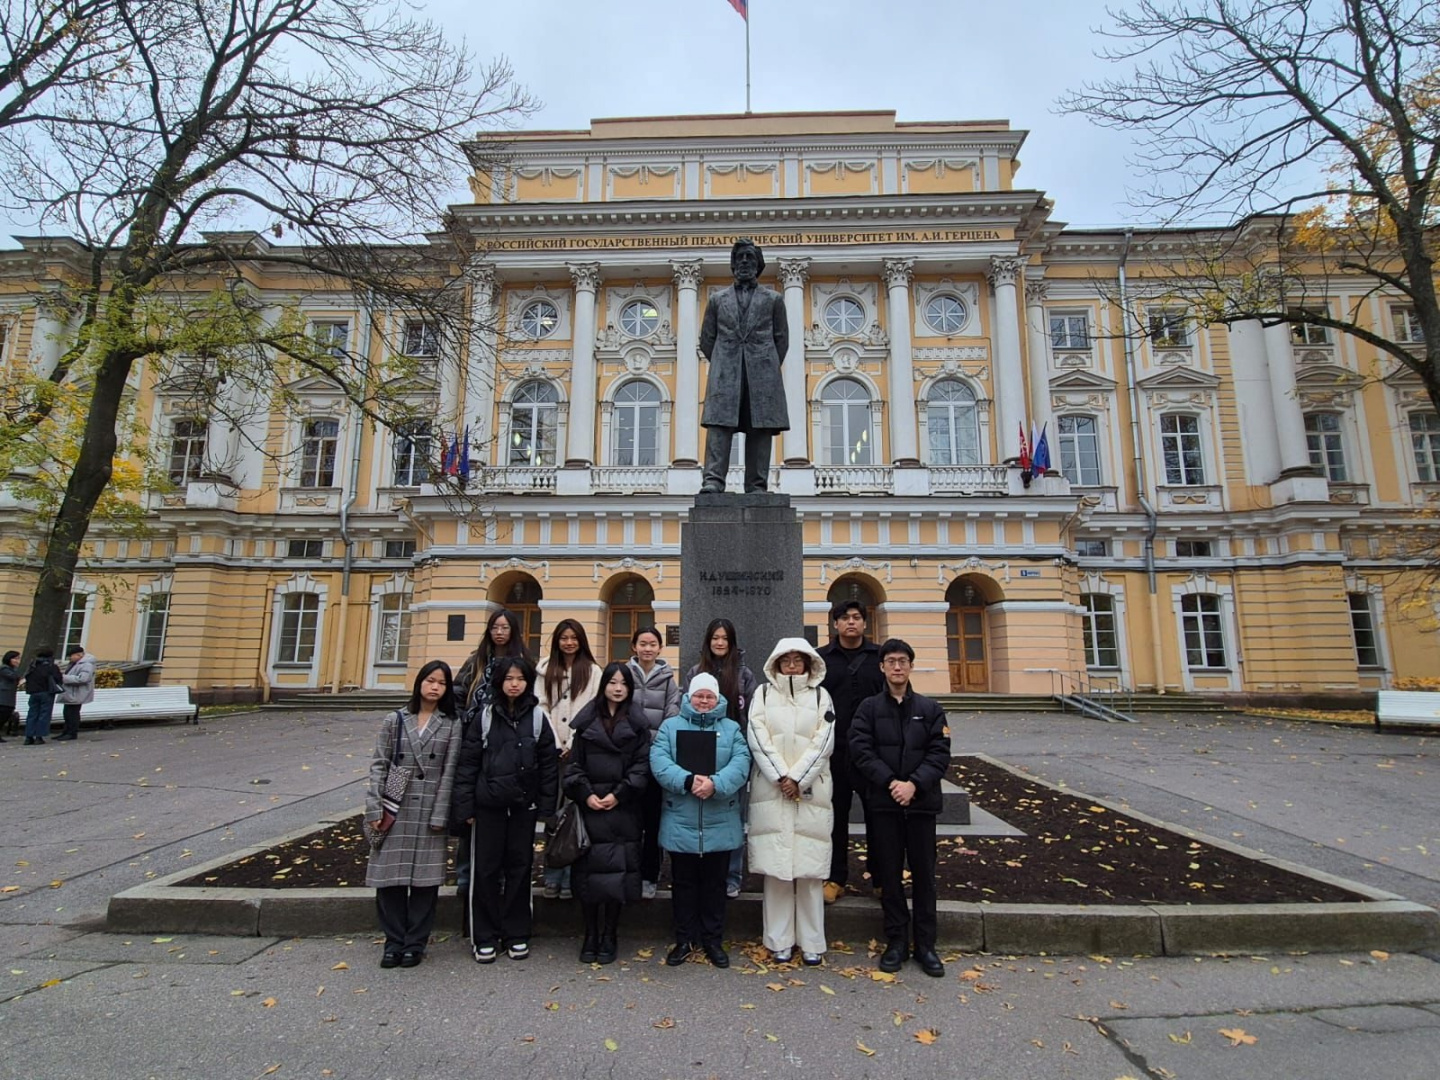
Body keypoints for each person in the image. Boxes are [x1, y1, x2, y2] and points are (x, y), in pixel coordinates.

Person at [848, 638, 951, 979]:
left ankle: (926, 945)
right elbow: (861, 749)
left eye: (902, 661)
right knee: (889, 876)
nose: (896, 667)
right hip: (884, 804)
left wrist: (914, 785)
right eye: (890, 661)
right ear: (881, 667)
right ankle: (896, 941)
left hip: (920, 806)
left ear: (910, 666)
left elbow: (939, 753)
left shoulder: (931, 709)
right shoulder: (868, 708)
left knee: (924, 877)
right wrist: (892, 782)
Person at [451, 656, 558, 964]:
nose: (514, 683)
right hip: (488, 807)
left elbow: (548, 766)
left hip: (523, 807)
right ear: (499, 681)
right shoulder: (484, 717)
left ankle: (517, 932)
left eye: (520, 678)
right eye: (509, 678)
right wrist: (465, 806)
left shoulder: (537, 718)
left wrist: (546, 807)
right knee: (484, 871)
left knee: (520, 869)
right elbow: (468, 764)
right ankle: (483, 935)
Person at [650, 672, 751, 969]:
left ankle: (712, 940)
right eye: (699, 695)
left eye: (709, 696)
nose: (704, 701)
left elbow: (742, 762)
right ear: (689, 697)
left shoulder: (731, 729)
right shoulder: (670, 727)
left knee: (715, 884)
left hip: (719, 817)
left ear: (718, 698)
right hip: (682, 817)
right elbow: (659, 760)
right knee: (683, 884)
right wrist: (688, 780)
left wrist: (716, 784)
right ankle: (684, 939)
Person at [365, 660, 461, 969]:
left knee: (425, 882)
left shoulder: (451, 724)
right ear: (419, 682)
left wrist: (441, 813)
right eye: (430, 680)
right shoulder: (395, 720)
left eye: (441, 683)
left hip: (429, 806)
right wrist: (374, 807)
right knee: (390, 879)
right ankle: (393, 942)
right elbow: (379, 764)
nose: (434, 687)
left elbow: (449, 772)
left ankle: (415, 944)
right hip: (396, 805)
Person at [746, 638, 836, 966]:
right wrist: (780, 776)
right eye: (787, 660)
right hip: (772, 791)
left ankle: (812, 942)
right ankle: (778, 940)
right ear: (777, 663)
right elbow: (756, 735)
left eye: (799, 660)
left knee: (810, 869)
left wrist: (798, 777)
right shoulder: (763, 694)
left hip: (810, 792)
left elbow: (824, 739)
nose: (793, 665)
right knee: (778, 870)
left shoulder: (821, 695)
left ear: (809, 663)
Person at [563, 662, 650, 964]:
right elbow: (574, 767)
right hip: (591, 809)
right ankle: (590, 934)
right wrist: (587, 795)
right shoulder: (587, 723)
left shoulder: (638, 725)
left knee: (616, 876)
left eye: (622, 683)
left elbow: (642, 767)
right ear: (604, 686)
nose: (617, 688)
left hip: (622, 809)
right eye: (611, 682)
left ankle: (610, 934)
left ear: (629, 688)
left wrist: (619, 794)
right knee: (589, 876)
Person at [698, 238, 790, 493]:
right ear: (733, 264)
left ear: (759, 265)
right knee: (719, 426)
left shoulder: (774, 300)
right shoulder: (717, 300)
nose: (745, 262)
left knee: (760, 428)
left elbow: (781, 340)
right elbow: (707, 340)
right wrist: (723, 362)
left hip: (762, 373)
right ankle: (713, 480)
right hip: (725, 372)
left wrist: (765, 365)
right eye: (740, 258)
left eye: (750, 257)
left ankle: (757, 484)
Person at [451, 609, 531, 902]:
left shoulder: (523, 660)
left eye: (505, 627)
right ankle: (465, 875)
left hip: (508, 740)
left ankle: (498, 875)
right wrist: (463, 723)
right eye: (495, 627)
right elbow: (458, 693)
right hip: (476, 738)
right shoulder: (476, 660)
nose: (499, 632)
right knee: (471, 810)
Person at [816, 599, 885, 904]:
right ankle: (835, 876)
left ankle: (881, 877)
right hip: (835, 751)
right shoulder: (820, 659)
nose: (851, 622)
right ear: (835, 624)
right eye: (844, 618)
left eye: (857, 617)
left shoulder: (880, 657)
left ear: (865, 623)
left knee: (878, 817)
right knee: (835, 817)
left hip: (874, 753)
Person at [683, 617, 758, 899]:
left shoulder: (743, 675)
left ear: (732, 642)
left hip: (732, 751)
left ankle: (732, 875)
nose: (719, 643)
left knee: (733, 818)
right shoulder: (695, 671)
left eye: (725, 638)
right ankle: (702, 872)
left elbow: (752, 715)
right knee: (699, 814)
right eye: (715, 637)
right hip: (697, 750)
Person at [537, 619, 602, 900]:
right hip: (550, 753)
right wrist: (555, 742)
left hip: (580, 753)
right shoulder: (543, 670)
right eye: (564, 637)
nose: (569, 642)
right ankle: (552, 875)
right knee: (553, 815)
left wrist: (574, 743)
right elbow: (540, 706)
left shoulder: (592, 671)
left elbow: (593, 707)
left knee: (576, 815)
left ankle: (572, 876)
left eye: (574, 637)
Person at [626, 624, 680, 899]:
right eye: (642, 643)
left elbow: (672, 712)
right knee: (628, 819)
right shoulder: (624, 676)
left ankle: (650, 874)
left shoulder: (669, 680)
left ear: (660, 648)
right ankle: (629, 872)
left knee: (653, 819)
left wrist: (656, 742)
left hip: (657, 758)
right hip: (627, 758)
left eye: (652, 644)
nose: (647, 648)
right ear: (634, 646)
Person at [22, 648, 62, 746]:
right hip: (46, 692)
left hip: (33, 693)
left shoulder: (32, 665)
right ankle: (39, 737)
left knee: (32, 714)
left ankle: (28, 737)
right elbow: (58, 679)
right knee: (44, 715)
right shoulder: (51, 666)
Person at [57, 645, 96, 741]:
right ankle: (66, 732)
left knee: (72, 714)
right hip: (71, 693)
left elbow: (83, 678)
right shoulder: (76, 664)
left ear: (79, 655)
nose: (70, 658)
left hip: (77, 693)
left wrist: (64, 678)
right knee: (67, 713)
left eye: (71, 656)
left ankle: (71, 732)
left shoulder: (86, 664)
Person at [0, 650, 20, 741]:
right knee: (3, 715)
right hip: (3, 696)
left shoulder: (12, 669)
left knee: (6, 715)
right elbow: (13, 677)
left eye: (18, 658)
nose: (17, 661)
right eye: (15, 658)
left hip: (9, 697)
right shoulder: (4, 668)